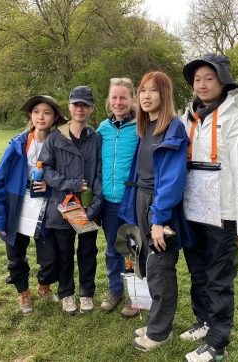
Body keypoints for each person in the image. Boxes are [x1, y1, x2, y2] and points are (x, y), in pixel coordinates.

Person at [181, 53, 238, 362]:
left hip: (224, 215)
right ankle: (203, 321)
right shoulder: (187, 118)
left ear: (224, 81)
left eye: (208, 78)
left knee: (219, 279)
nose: (201, 84)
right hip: (192, 211)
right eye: (197, 79)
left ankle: (217, 341)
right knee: (198, 273)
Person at [118, 71, 193, 352]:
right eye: (143, 91)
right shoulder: (145, 127)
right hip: (141, 200)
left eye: (153, 91)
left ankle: (160, 332)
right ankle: (157, 322)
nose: (146, 96)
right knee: (149, 265)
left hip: (160, 205)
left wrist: (159, 219)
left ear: (165, 95)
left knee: (161, 269)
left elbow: (173, 180)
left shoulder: (172, 128)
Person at [0, 95, 64, 315]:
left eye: (47, 112)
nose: (41, 116)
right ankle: (23, 292)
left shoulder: (59, 144)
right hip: (16, 206)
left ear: (55, 117)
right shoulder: (18, 144)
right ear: (31, 115)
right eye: (36, 111)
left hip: (45, 207)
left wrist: (48, 188)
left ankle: (44, 286)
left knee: (51, 257)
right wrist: (0, 218)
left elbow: (62, 180)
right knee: (15, 256)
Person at [39, 86, 102, 315]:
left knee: (87, 252)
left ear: (91, 109)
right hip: (62, 207)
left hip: (87, 208)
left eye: (85, 105)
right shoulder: (55, 137)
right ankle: (67, 294)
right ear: (69, 107)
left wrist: (95, 205)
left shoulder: (95, 138)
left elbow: (99, 174)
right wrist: (72, 184)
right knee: (64, 254)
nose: (80, 109)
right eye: (76, 104)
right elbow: (45, 169)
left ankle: (86, 293)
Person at [97, 78, 140, 317]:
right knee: (113, 248)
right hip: (108, 201)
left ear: (132, 99)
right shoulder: (102, 128)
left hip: (132, 200)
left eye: (123, 97)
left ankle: (136, 296)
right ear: (108, 100)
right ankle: (115, 290)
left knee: (132, 249)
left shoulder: (141, 126)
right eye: (114, 97)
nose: (118, 102)